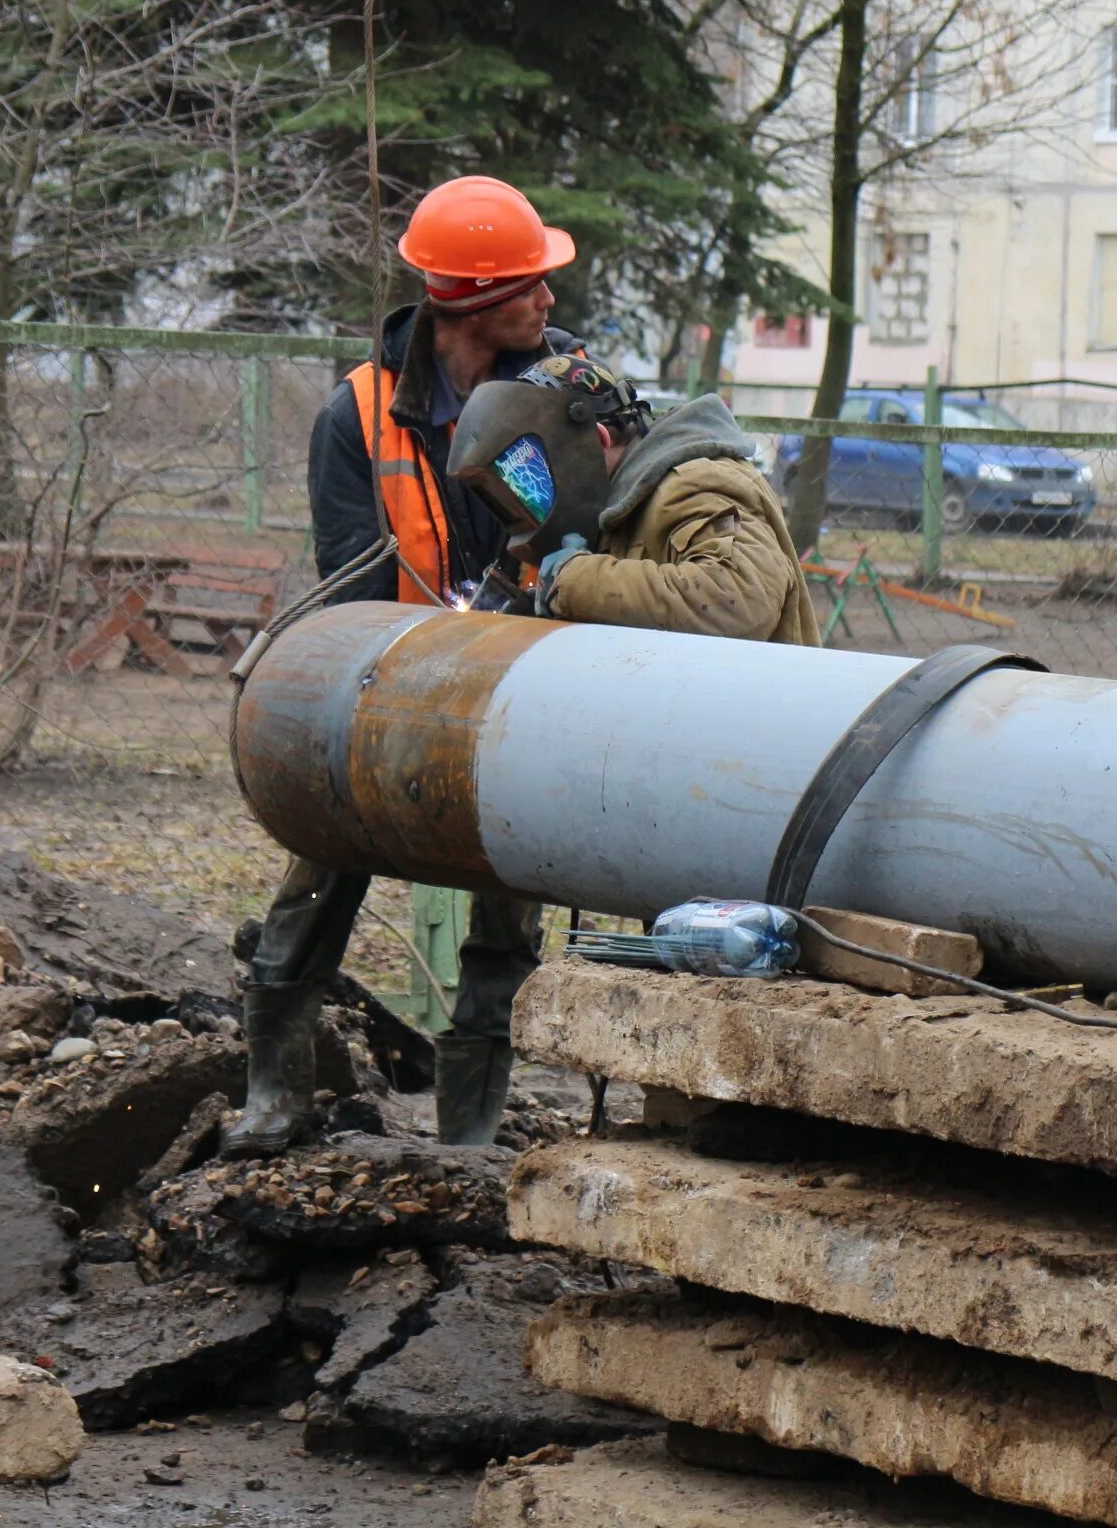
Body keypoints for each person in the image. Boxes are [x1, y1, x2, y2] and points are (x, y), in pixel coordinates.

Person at [225, 176, 582, 1159]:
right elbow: (350, 590)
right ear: (472, 302)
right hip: (386, 697)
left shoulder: (560, 395)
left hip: (520, 696)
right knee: (312, 884)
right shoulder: (360, 415)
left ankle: (467, 1139)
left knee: (505, 921)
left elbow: (583, 542)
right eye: (532, 286)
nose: (550, 302)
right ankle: (273, 1099)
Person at [446, 352, 821, 646]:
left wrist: (573, 583)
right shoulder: (624, 505)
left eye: (535, 480)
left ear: (598, 439)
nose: (531, 499)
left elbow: (739, 599)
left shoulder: (693, 482)